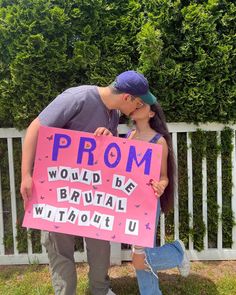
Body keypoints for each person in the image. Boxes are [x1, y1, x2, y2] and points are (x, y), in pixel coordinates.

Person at [20, 70, 159, 295]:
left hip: (93, 196)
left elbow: (107, 157)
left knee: (100, 245)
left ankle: (100, 290)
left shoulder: (113, 114)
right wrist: (26, 174)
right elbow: (36, 127)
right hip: (58, 191)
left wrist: (110, 139)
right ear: (127, 98)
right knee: (60, 248)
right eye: (138, 103)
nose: (137, 109)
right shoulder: (78, 97)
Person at [96, 100, 190, 295]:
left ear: (152, 114)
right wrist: (106, 136)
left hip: (147, 205)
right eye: (136, 105)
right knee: (141, 254)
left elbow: (164, 177)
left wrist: (161, 186)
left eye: (142, 106)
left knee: (139, 257)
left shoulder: (159, 141)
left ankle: (176, 253)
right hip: (130, 203)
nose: (136, 107)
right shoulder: (129, 136)